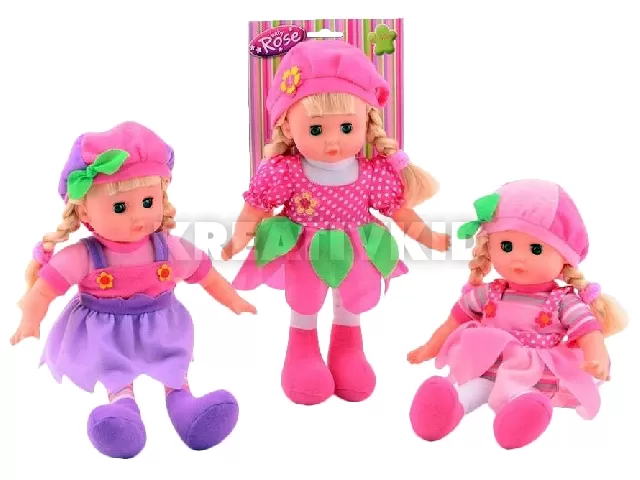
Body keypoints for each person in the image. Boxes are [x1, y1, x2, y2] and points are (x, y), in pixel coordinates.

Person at [223, 40, 450, 406]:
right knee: (305, 302)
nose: (333, 141)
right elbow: (256, 207)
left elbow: (399, 211)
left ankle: (348, 352)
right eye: (316, 130)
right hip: (304, 248)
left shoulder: (373, 173)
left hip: (357, 247)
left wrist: (430, 238)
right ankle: (302, 353)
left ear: (365, 123)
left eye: (346, 127)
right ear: (287, 126)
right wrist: (238, 238)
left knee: (350, 301)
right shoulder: (284, 171)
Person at [11, 121, 256, 458]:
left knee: (173, 365)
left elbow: (207, 276)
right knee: (116, 373)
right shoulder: (85, 256)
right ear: (84, 211)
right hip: (106, 333)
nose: (138, 217)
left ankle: (186, 407)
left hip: (161, 326)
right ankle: (122, 413)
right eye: (120, 207)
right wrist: (30, 319)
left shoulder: (168, 248)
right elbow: (44, 290)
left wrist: (234, 300)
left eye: (148, 201)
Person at [407, 179, 628, 449]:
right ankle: (445, 411)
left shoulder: (563, 301)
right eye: (506, 246)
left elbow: (589, 332)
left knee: (519, 392)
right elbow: (454, 321)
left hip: (531, 374)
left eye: (536, 249)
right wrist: (429, 348)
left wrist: (596, 358)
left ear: (565, 257)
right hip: (486, 366)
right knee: (471, 387)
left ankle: (521, 415)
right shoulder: (489, 293)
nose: (517, 259)